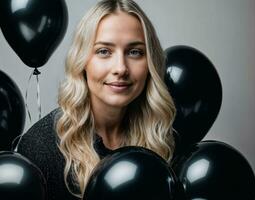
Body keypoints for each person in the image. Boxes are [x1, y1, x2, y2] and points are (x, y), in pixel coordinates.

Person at [17, 0, 176, 199]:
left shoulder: (163, 136)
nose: (121, 68)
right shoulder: (40, 148)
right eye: (104, 51)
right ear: (82, 61)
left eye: (135, 52)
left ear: (150, 62)